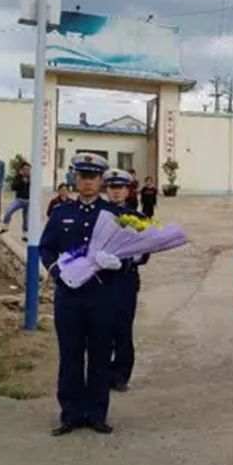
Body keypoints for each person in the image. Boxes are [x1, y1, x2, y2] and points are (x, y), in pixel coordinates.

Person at [39, 152, 123, 435]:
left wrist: (121, 262)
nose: (87, 183)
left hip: (102, 295)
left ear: (101, 181)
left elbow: (132, 249)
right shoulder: (62, 213)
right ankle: (71, 414)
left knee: (100, 356)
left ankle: (97, 413)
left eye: (93, 178)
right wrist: (57, 272)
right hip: (70, 297)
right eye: (82, 177)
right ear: (75, 178)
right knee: (71, 356)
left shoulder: (113, 215)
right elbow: (46, 247)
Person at [103, 168, 147, 392]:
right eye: (112, 188)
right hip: (99, 279)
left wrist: (129, 259)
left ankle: (120, 374)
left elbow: (146, 252)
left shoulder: (137, 218)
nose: (116, 192)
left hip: (125, 279)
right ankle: (100, 372)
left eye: (120, 188)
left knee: (122, 328)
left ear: (128, 191)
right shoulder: (98, 214)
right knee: (100, 327)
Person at [0, 162, 31, 241]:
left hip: (29, 201)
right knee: (9, 210)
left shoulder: (32, 178)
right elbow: (14, 187)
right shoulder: (18, 177)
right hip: (19, 199)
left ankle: (25, 234)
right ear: (21, 170)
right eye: (25, 169)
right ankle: (6, 226)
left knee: (26, 218)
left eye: (28, 170)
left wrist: (29, 182)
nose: (26, 171)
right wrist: (22, 181)